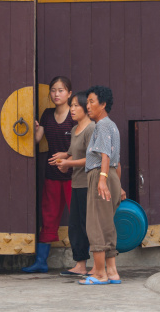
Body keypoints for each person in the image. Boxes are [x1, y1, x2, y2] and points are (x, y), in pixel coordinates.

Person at [22, 76, 76, 273]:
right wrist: (35, 130)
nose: (56, 94)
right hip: (52, 174)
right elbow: (37, 140)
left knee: (79, 219)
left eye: (61, 90)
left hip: (73, 175)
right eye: (53, 90)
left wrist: (68, 155)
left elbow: (84, 145)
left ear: (69, 93)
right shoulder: (46, 114)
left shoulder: (75, 115)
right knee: (49, 217)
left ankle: (83, 264)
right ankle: (41, 262)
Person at [79, 85, 127, 285]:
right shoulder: (112, 125)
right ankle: (112, 272)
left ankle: (99, 273)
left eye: (92, 102)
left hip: (101, 175)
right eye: (87, 102)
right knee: (107, 225)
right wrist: (117, 184)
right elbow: (117, 160)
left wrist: (102, 179)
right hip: (111, 176)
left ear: (103, 104)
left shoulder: (102, 125)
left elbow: (105, 155)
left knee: (96, 225)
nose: (87, 106)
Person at [54, 91, 95, 276]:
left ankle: (99, 265)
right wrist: (64, 162)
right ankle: (80, 265)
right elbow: (73, 154)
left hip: (89, 184)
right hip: (77, 183)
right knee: (75, 226)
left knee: (91, 225)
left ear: (87, 108)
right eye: (71, 105)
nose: (71, 109)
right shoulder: (74, 129)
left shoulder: (92, 129)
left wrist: (68, 163)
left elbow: (91, 159)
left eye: (76, 105)